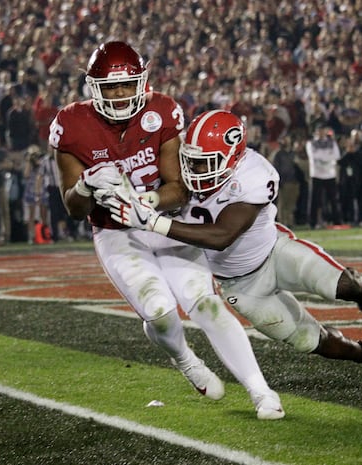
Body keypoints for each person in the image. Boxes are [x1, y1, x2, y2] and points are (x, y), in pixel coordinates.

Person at [49, 41, 284, 420]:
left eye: (127, 85)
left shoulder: (162, 110)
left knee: (206, 303)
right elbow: (74, 208)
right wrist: (86, 185)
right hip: (116, 233)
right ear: (94, 88)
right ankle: (185, 358)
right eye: (111, 87)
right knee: (159, 311)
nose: (121, 94)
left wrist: (149, 203)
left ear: (142, 82)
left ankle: (261, 391)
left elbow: (178, 186)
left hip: (166, 225)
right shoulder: (72, 124)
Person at [107, 110, 362, 391]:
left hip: (275, 253)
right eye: (192, 159)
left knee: (345, 284)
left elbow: (223, 235)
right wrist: (144, 200)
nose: (196, 168)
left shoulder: (255, 173)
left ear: (234, 157)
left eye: (206, 161)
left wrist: (155, 223)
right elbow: (161, 193)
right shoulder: (186, 171)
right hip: (238, 285)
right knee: (307, 340)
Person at [305, 125, 342, 229]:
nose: (321, 133)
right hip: (316, 174)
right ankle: (312, 222)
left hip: (330, 174)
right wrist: (327, 157)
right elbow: (313, 156)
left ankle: (336, 221)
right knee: (314, 200)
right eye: (319, 131)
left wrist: (323, 157)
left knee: (334, 199)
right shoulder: (311, 143)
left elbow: (336, 155)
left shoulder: (332, 143)